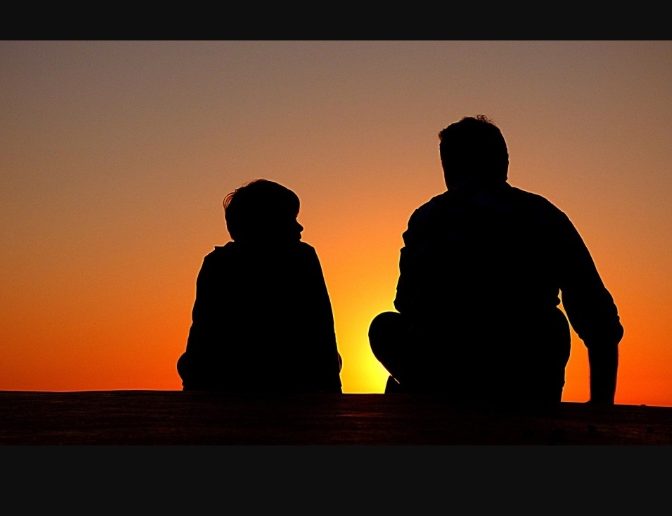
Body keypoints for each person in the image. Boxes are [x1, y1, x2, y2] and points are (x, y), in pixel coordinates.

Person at [369, 115, 623, 405]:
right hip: (527, 376)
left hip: (444, 376)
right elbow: (598, 317)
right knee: (552, 323)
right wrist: (601, 406)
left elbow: (405, 302)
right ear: (504, 162)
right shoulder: (543, 215)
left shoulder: (429, 218)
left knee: (385, 326)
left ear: (448, 167)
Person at [177, 179, 343, 393]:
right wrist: (332, 393)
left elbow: (201, 335)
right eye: (290, 219)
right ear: (267, 222)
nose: (299, 227)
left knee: (186, 362)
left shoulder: (217, 262)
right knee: (335, 359)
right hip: (290, 378)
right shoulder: (301, 257)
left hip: (227, 378)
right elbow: (322, 331)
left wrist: (194, 389)